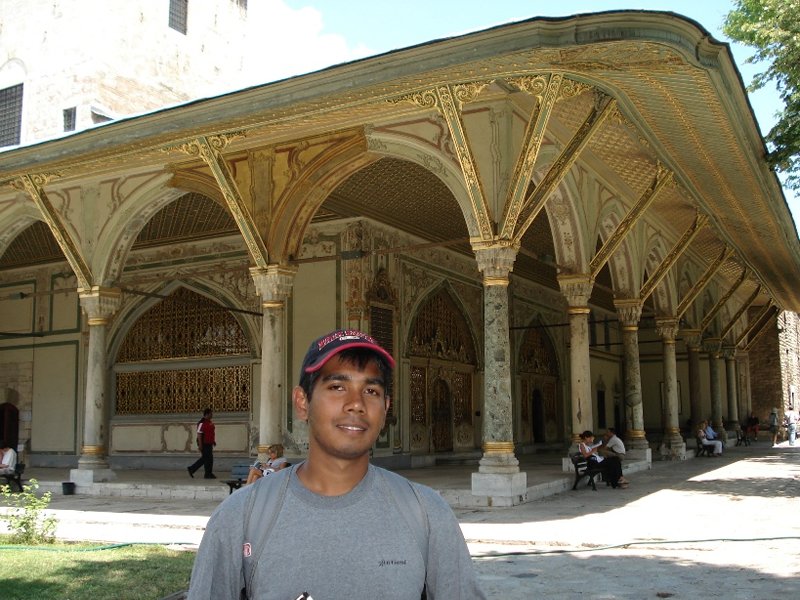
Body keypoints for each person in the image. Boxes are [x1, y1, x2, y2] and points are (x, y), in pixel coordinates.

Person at [187, 329, 485, 599]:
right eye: (337, 387)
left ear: (385, 409)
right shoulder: (241, 518)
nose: (356, 403)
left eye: (371, 391)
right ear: (302, 403)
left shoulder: (427, 515)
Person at [188, 408, 216, 479]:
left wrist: (213, 441)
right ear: (207, 414)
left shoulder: (209, 422)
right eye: (211, 413)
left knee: (209, 459)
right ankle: (192, 469)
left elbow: (211, 433)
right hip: (204, 443)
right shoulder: (201, 423)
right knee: (206, 458)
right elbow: (199, 434)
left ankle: (208, 473)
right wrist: (200, 445)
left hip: (209, 443)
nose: (212, 415)